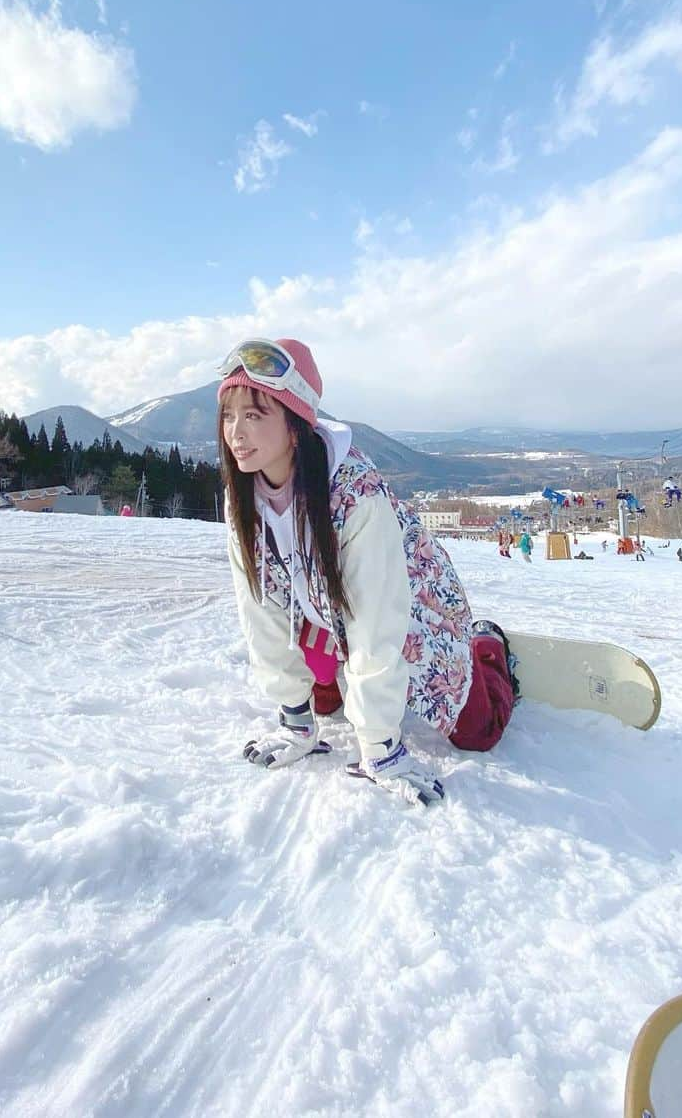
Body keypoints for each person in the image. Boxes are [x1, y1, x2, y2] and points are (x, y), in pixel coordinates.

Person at [217, 338, 510, 808]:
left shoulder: (356, 497)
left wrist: (380, 747)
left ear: (295, 426)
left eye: (254, 415)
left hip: (415, 607)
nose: (236, 433)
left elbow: (379, 622)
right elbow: (261, 607)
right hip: (325, 609)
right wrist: (295, 719)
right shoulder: (244, 498)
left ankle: (486, 646)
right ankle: (332, 688)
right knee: (327, 705)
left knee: (478, 730)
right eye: (229, 416)